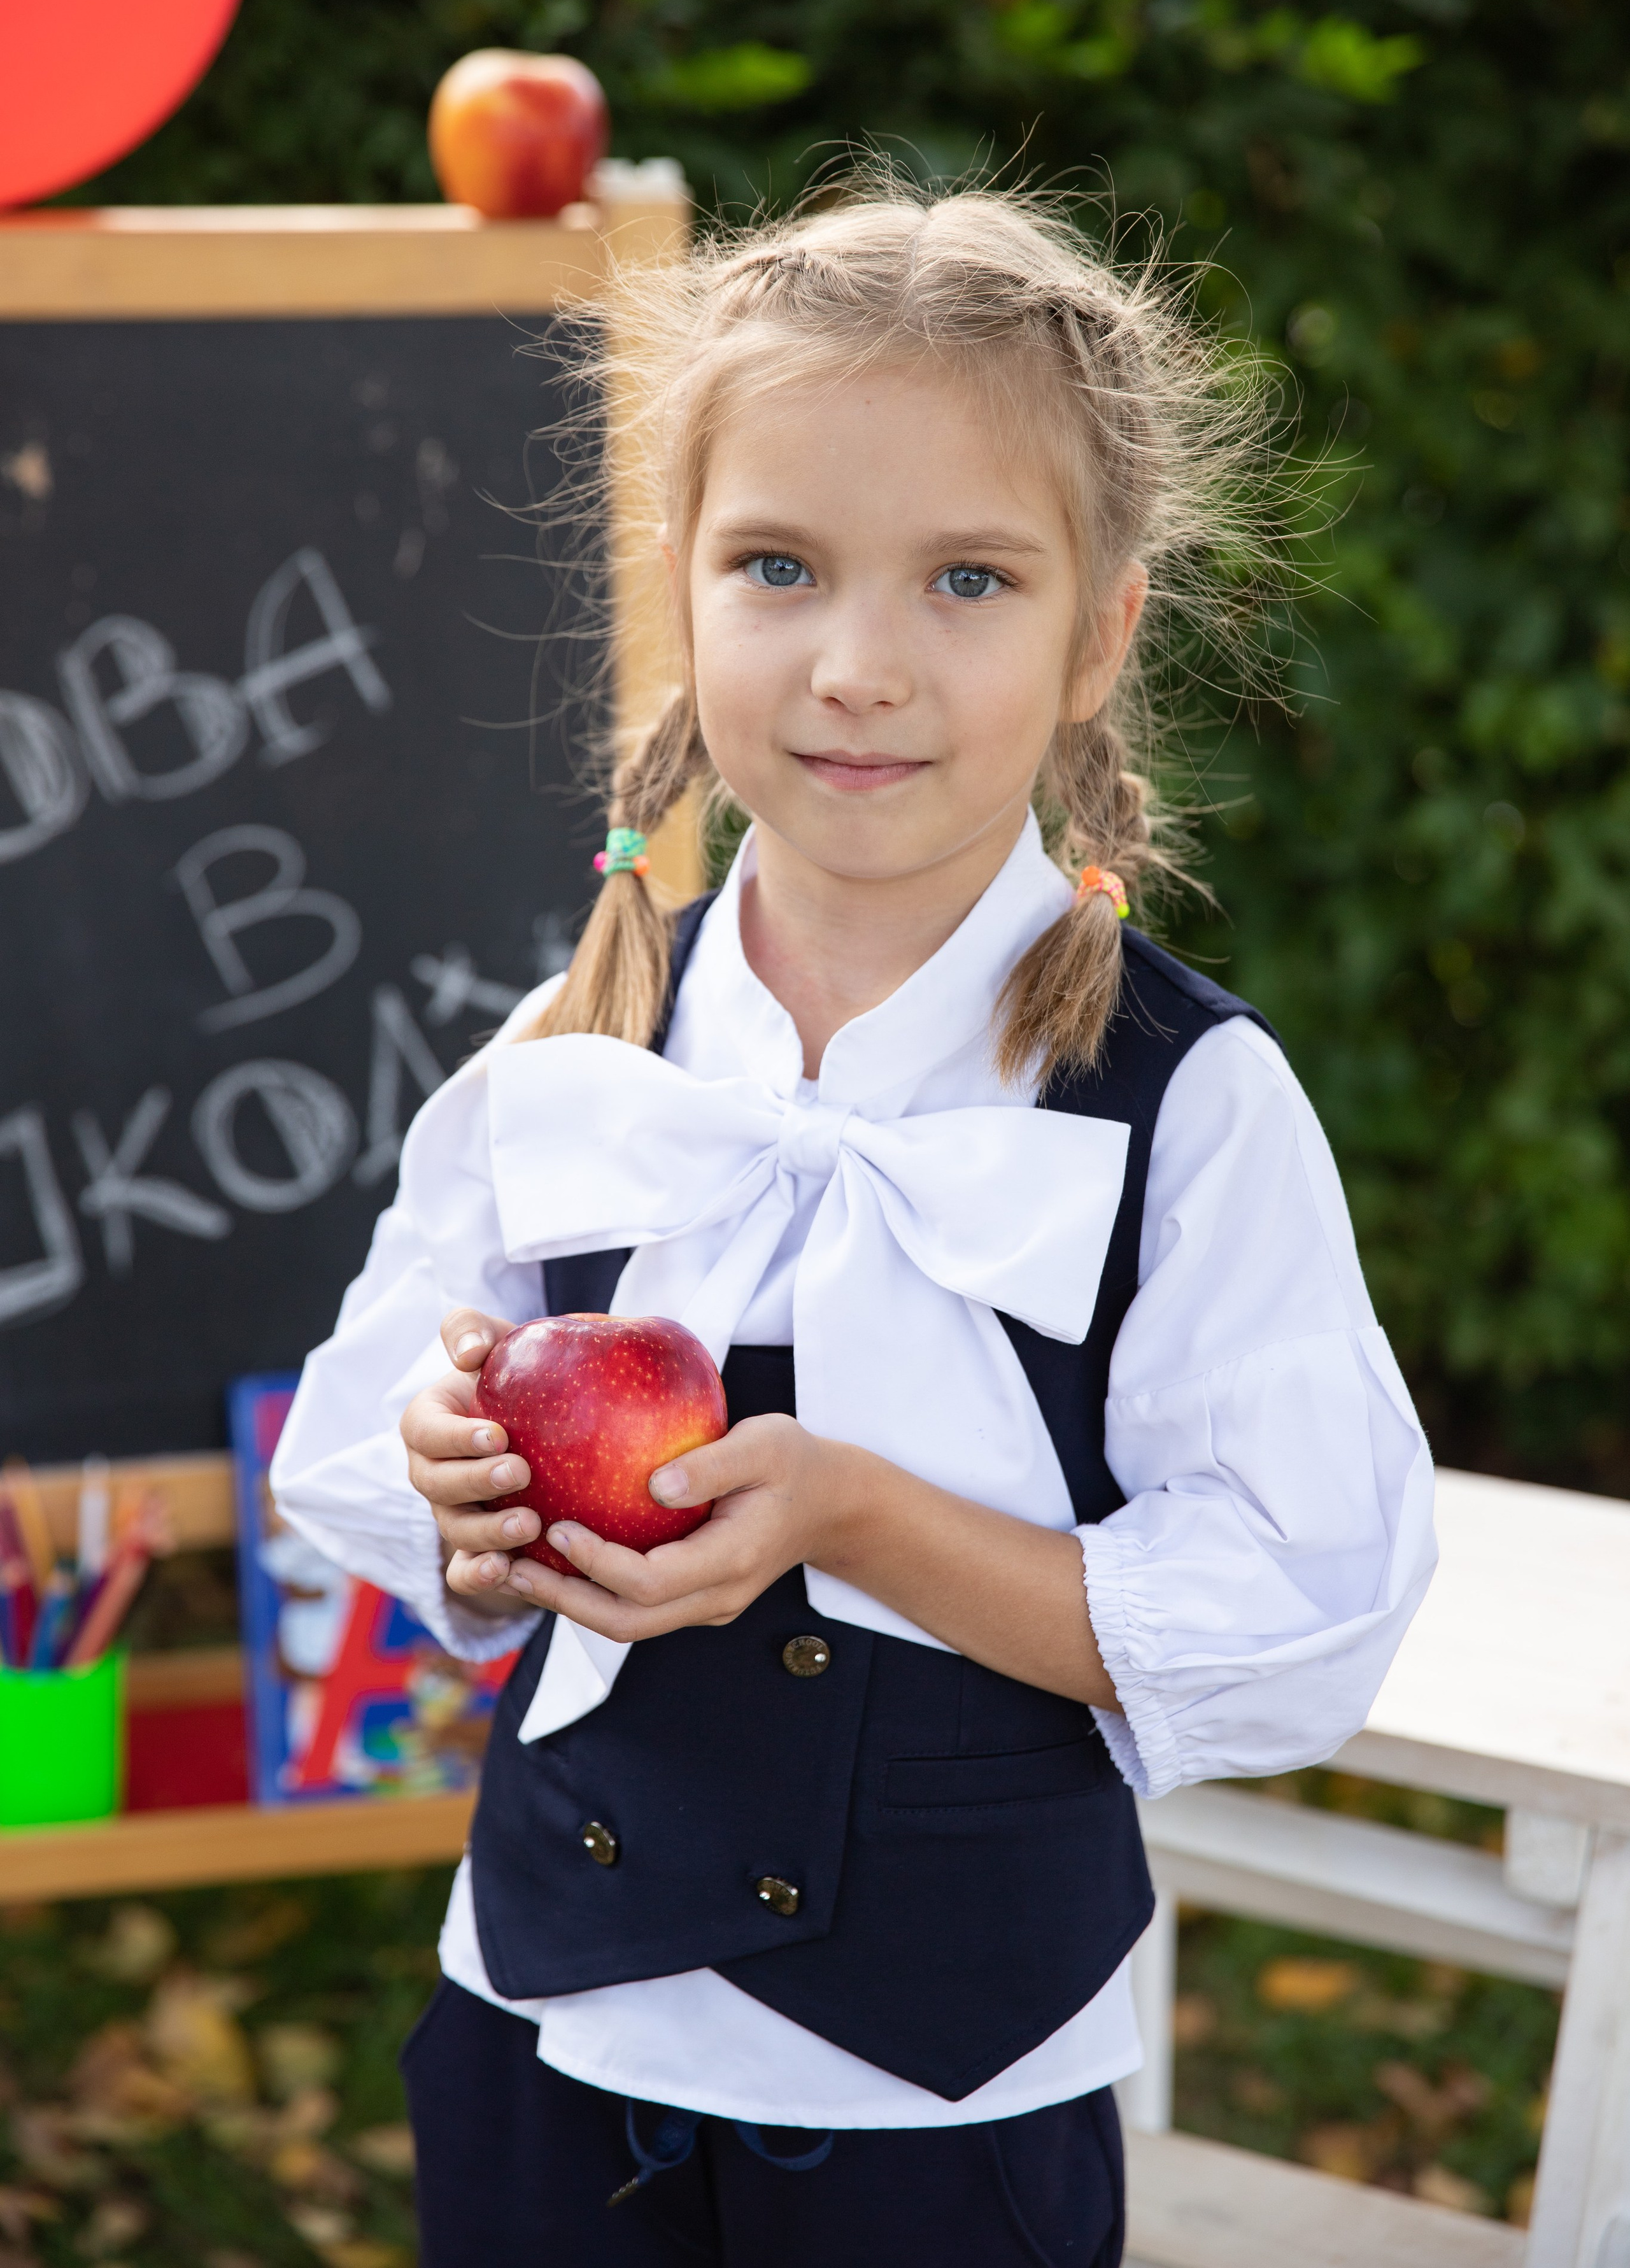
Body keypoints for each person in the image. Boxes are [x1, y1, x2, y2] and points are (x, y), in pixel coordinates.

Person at [271, 180, 1436, 2268]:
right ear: (683, 589)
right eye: (780, 567)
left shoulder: (1185, 1107)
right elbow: (369, 1445)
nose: (860, 663)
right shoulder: (585, 1040)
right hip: (551, 2034)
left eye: (969, 579)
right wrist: (460, 1482)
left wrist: (854, 1516)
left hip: (943, 2112)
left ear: (1102, 634)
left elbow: (1289, 1616)